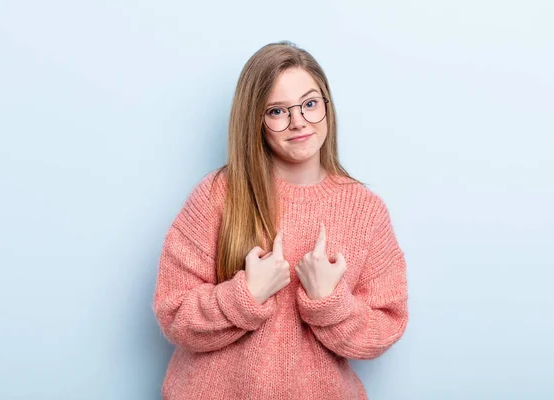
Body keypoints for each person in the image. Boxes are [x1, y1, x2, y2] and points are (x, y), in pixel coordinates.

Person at [153, 40, 409, 400]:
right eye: (277, 111)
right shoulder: (218, 195)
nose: (298, 122)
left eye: (309, 104)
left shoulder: (366, 210)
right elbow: (174, 314)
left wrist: (328, 301)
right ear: (255, 120)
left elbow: (386, 325)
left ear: (326, 106)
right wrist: (246, 295)